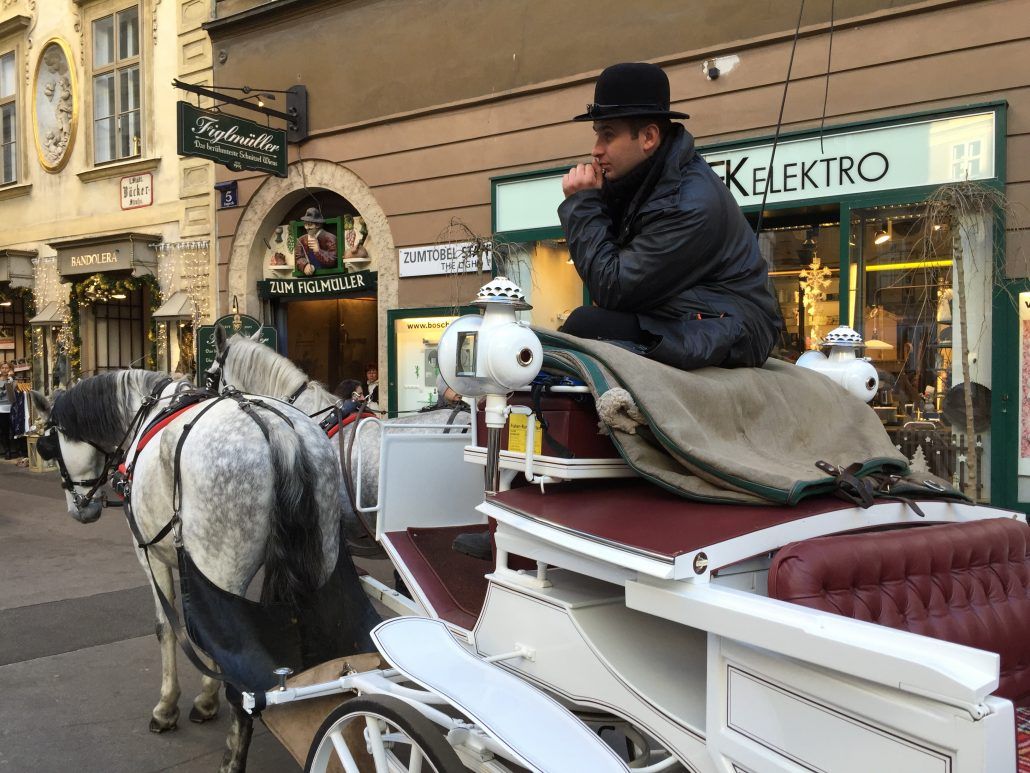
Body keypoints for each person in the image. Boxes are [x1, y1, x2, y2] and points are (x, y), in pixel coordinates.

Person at [558, 62, 781, 371]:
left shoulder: (689, 203)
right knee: (585, 328)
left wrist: (584, 205)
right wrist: (598, 198)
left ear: (649, 137)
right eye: (597, 135)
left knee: (586, 324)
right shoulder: (643, 181)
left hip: (734, 325)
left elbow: (613, 289)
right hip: (693, 309)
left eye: (607, 135)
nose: (596, 150)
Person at [294, 207, 338, 276]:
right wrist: (305, 265)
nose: (307, 228)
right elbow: (298, 258)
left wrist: (318, 251)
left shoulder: (330, 238)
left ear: (318, 224)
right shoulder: (301, 240)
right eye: (305, 224)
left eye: (310, 224)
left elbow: (333, 260)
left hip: (328, 276)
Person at [0, 361, 14, 459]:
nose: (5, 370)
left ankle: (9, 450)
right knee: (3, 431)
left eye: (7, 368)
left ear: (10, 369)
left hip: (10, 408)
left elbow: (12, 394)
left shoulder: (11, 380)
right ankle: (6, 450)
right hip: (1, 408)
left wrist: (10, 380)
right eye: (3, 368)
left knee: (8, 430)